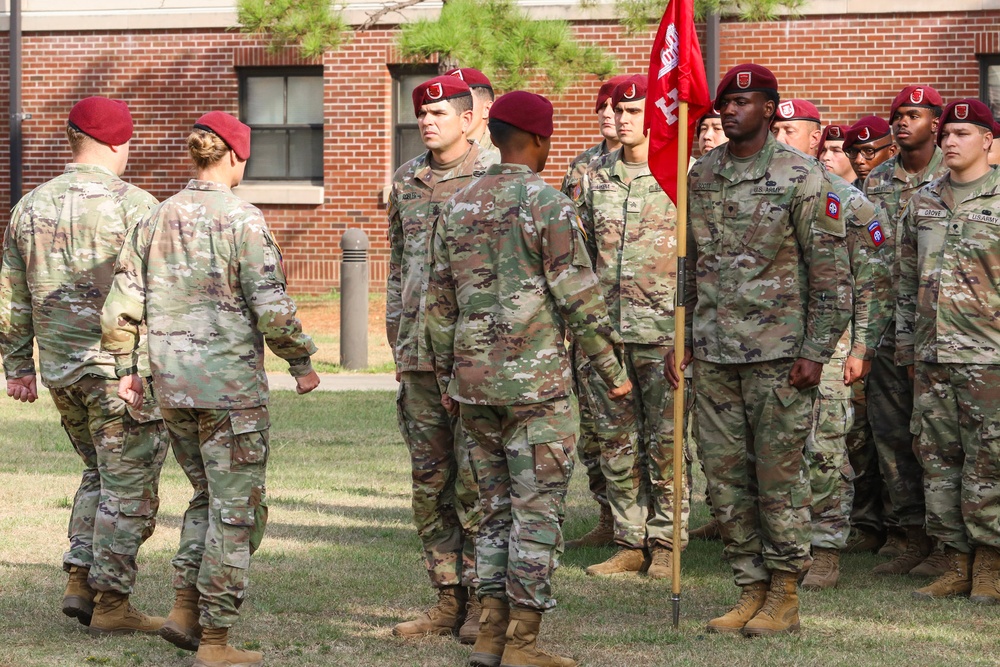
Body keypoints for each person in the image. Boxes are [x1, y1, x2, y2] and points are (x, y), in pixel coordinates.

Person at [101, 111, 320, 667]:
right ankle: (215, 641)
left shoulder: (156, 218)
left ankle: (183, 612)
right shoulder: (244, 221)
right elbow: (273, 309)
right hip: (230, 395)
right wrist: (300, 362)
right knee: (236, 510)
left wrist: (128, 367)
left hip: (172, 389)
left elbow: (121, 305)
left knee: (204, 497)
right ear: (236, 157)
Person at [426, 89, 632, 667]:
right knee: (536, 513)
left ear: (492, 135)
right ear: (540, 140)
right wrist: (612, 370)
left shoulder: (458, 203)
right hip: (535, 390)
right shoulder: (549, 204)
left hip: (473, 385)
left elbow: (439, 304)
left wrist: (448, 376)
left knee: (490, 512)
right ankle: (521, 644)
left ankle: (489, 635)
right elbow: (578, 295)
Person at [667, 64, 852, 636]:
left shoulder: (801, 177)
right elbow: (691, 262)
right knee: (725, 480)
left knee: (779, 479)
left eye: (744, 101)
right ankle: (749, 588)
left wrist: (816, 352)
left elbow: (831, 275)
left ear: (770, 109)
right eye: (726, 101)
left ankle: (785, 595)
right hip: (715, 352)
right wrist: (684, 337)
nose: (730, 110)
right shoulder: (703, 174)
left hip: (779, 356)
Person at [0, 96, 168, 636]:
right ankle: (112, 603)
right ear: (120, 142)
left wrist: (16, 364)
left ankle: (79, 577)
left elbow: (12, 295)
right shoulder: (138, 206)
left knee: (99, 472)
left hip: (60, 371)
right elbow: (160, 293)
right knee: (130, 486)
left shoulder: (29, 206)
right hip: (122, 371)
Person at [386, 74, 494, 643]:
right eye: (423, 114)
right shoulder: (408, 180)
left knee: (477, 483)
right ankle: (446, 598)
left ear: (469, 117)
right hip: (419, 358)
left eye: (441, 113)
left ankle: (483, 602)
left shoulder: (494, 177)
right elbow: (398, 263)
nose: (428, 121)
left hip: (473, 359)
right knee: (430, 484)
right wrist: (395, 334)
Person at [771, 99, 893, 589]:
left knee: (824, 450)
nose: (781, 139)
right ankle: (783, 546)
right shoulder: (763, 193)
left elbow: (873, 281)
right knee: (777, 450)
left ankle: (824, 551)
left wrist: (861, 348)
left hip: (830, 345)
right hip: (769, 342)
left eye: (791, 130)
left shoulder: (850, 202)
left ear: (816, 138)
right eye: (776, 129)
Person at [576, 74, 687, 580]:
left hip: (663, 331)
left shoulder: (681, 174)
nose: (622, 120)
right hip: (605, 334)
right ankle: (629, 540)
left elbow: (704, 255)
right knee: (616, 443)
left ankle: (667, 543)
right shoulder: (592, 176)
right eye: (617, 112)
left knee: (665, 443)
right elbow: (575, 255)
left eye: (634, 111)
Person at [896, 98, 1000, 604]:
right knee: (937, 458)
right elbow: (902, 277)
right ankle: (955, 560)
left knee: (991, 460)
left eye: (964, 132)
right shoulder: (923, 200)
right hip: (933, 354)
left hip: (990, 356)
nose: (951, 141)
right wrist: (904, 344)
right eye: (948, 133)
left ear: (988, 140)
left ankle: (991, 564)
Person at [862, 85, 949, 577]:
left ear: (934, 123)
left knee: (937, 435)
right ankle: (906, 532)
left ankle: (945, 540)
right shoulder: (875, 183)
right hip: (886, 324)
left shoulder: (952, 176)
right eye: (897, 114)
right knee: (891, 432)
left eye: (913, 115)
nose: (901, 122)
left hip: (938, 326)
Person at [559, 74, 629, 550]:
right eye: (603, 107)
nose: (610, 114)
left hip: (649, 320)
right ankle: (609, 516)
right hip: (594, 319)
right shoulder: (584, 170)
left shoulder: (666, 166)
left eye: (619, 107)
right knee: (599, 432)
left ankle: (656, 534)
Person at [446, 67, 500, 162]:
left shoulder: (504, 158)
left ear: (487, 109)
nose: (454, 110)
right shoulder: (431, 160)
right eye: (448, 104)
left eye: (465, 102)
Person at [844, 116, 896, 188]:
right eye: (852, 151)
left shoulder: (908, 191)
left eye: (869, 151)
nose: (858, 160)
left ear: (891, 152)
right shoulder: (843, 195)